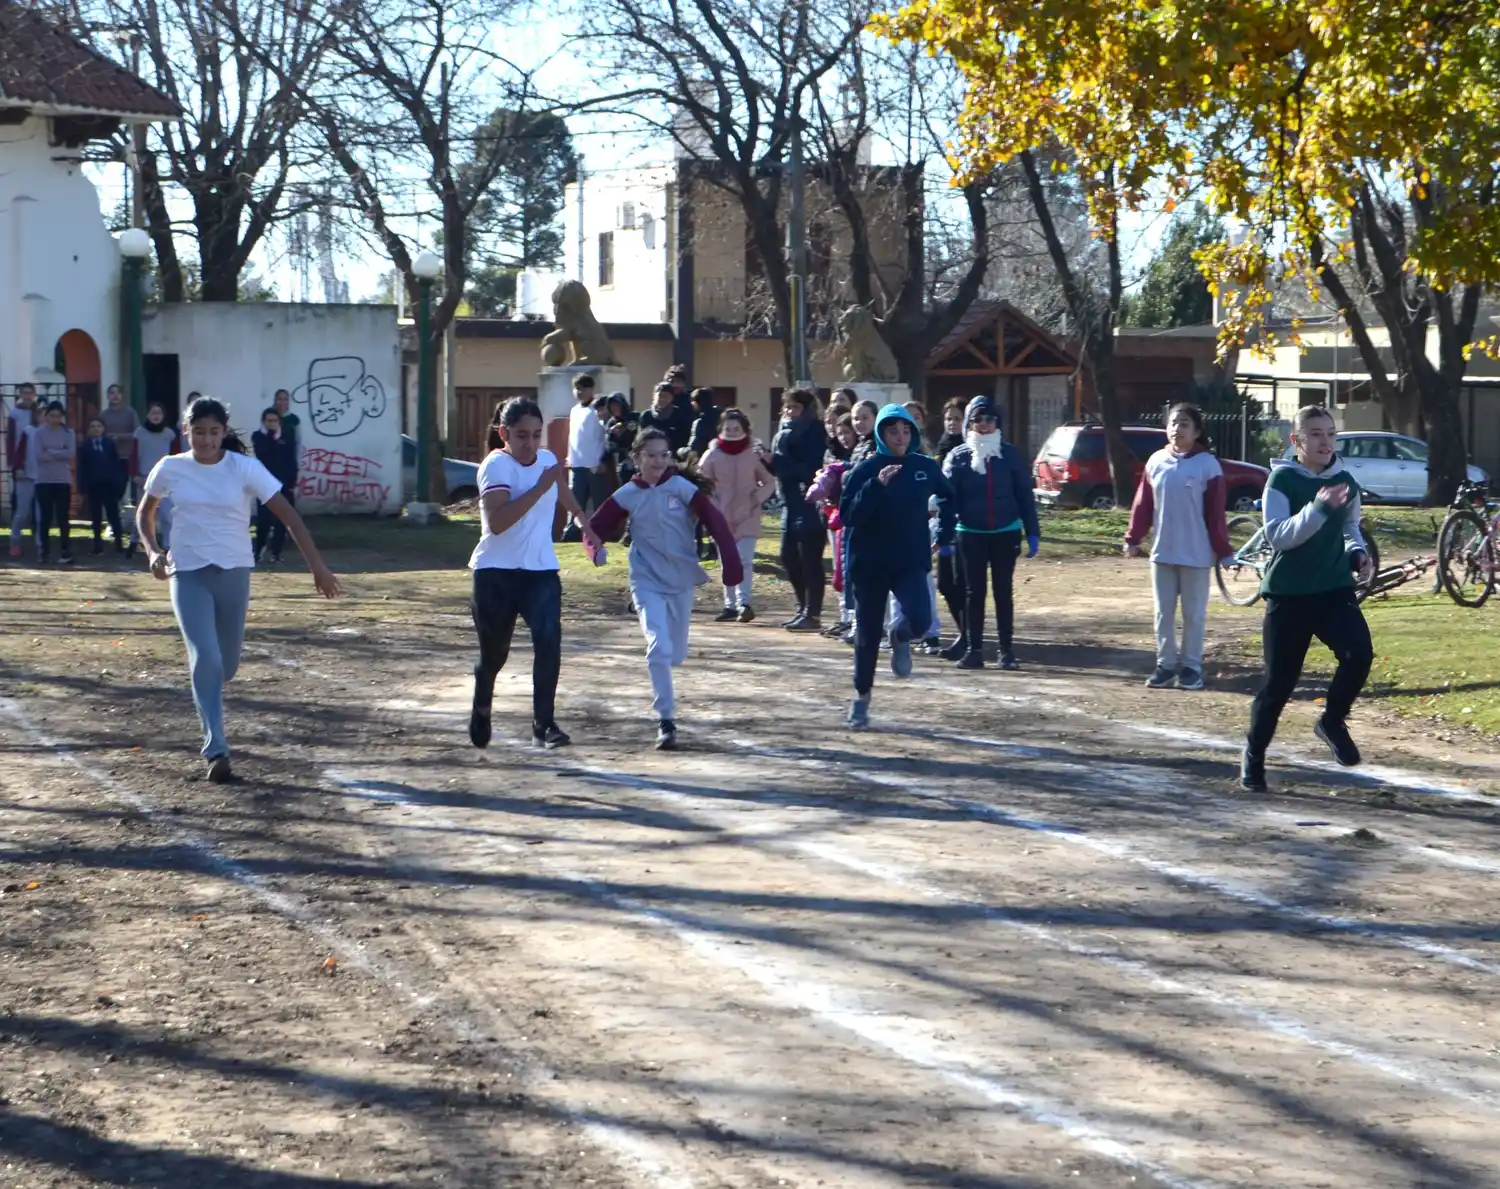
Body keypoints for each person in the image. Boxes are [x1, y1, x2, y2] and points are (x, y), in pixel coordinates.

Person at [138, 396, 342, 782]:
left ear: (224, 432)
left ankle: (211, 691)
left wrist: (317, 567)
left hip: (234, 573)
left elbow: (290, 517)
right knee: (206, 658)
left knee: (226, 664)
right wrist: (152, 552)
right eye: (199, 432)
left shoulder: (244, 468)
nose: (206, 440)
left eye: (214, 432)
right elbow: (144, 512)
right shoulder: (171, 468)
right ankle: (216, 749)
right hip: (188, 573)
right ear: (187, 432)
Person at [1241, 405, 1375, 792]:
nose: (1324, 441)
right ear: (1295, 440)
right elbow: (1280, 536)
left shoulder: (1345, 480)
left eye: (1330, 434)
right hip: (1289, 595)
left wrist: (1357, 552)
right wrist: (1318, 507)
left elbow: (1350, 527)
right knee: (1278, 686)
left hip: (1333, 589)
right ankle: (1254, 755)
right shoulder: (1281, 480)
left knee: (1359, 653)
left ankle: (1332, 720)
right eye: (1315, 434)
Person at [590, 428, 742, 751]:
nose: (658, 461)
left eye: (664, 454)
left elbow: (716, 523)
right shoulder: (628, 493)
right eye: (651, 455)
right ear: (636, 458)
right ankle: (666, 721)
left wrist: (731, 564)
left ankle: (656, 636)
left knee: (675, 654)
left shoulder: (682, 488)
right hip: (645, 578)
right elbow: (595, 527)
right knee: (657, 647)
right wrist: (595, 549)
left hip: (680, 579)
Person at [468, 397, 600, 753]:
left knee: (548, 642)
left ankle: (544, 724)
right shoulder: (495, 466)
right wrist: (540, 487)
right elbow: (498, 523)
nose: (530, 443)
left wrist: (586, 525)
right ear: (504, 434)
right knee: (495, 655)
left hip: (540, 571)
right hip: (495, 573)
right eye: (521, 435)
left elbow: (565, 495)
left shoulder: (546, 461)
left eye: (536, 435)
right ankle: (482, 702)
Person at [840, 404, 954, 729]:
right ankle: (862, 698)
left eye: (906, 431)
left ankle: (901, 635)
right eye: (893, 431)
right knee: (867, 634)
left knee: (921, 618)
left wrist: (945, 532)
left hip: (910, 559)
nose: (900, 437)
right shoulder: (865, 469)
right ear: (881, 434)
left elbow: (948, 498)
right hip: (871, 564)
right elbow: (848, 515)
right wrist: (875, 486)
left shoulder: (924, 467)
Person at [1124, 402, 1234, 691]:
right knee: (1163, 613)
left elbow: (1215, 514)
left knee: (1193, 614)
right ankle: (1165, 665)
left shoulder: (1208, 465)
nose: (1177, 429)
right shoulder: (1156, 461)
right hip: (1162, 552)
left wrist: (1223, 551)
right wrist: (1133, 539)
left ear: (1197, 431)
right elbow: (1143, 505)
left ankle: (1191, 668)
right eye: (1173, 423)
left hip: (1196, 554)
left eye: (1184, 424)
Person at [941, 396, 1040, 670]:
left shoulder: (1009, 454)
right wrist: (945, 535)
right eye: (978, 419)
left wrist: (1032, 531)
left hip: (1005, 531)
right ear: (969, 424)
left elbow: (1024, 496)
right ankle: (974, 650)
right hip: (969, 533)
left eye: (989, 419)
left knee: (1002, 591)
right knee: (974, 592)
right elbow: (946, 500)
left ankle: (1006, 651)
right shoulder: (958, 457)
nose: (984, 424)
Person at [698, 408, 774, 623]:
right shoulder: (712, 455)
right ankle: (729, 605)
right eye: (727, 428)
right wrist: (712, 506)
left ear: (745, 430)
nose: (731, 432)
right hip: (720, 518)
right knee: (728, 562)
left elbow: (769, 481)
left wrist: (756, 499)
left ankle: (745, 603)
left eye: (736, 428)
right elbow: (702, 483)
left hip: (748, 516)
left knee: (745, 561)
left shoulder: (752, 454)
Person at [770, 387, 829, 631]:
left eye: (796, 407)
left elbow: (811, 470)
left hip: (808, 503)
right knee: (788, 557)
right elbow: (779, 470)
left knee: (810, 560)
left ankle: (812, 613)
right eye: (788, 407)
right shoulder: (782, 434)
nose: (790, 412)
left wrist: (779, 461)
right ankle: (802, 606)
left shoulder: (815, 433)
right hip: (789, 503)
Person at [131, 401, 181, 553]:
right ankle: (135, 541)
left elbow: (176, 457)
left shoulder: (170, 435)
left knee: (167, 515)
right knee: (143, 513)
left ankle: (167, 545)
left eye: (159, 413)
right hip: (144, 478)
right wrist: (135, 475)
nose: (156, 416)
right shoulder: (139, 433)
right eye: (153, 413)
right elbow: (133, 456)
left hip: (165, 480)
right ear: (148, 415)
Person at [252, 407, 299, 563]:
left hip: (284, 485)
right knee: (264, 521)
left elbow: (291, 459)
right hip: (264, 485)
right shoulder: (258, 436)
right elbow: (263, 454)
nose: (272, 424)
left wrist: (292, 481)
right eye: (269, 421)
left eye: (275, 421)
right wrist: (272, 437)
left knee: (282, 522)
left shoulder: (287, 436)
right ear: (264, 422)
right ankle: (258, 550)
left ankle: (276, 553)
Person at [33, 402, 76, 565]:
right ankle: (44, 551)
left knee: (63, 517)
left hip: (62, 480)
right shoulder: (39, 433)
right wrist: (59, 453)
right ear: (46, 416)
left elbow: (70, 453)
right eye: (52, 416)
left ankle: (66, 550)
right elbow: (39, 456)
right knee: (45, 517)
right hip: (43, 480)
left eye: (58, 416)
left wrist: (51, 451)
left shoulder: (68, 433)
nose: (55, 419)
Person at [564, 374, 606, 541]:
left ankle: (600, 533)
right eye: (577, 388)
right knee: (575, 502)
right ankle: (571, 533)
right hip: (576, 464)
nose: (580, 391)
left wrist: (603, 459)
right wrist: (569, 458)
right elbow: (573, 437)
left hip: (594, 463)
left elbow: (605, 436)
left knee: (599, 503)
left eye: (583, 388)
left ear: (591, 389)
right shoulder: (574, 411)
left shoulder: (597, 410)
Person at [78, 417, 126, 555]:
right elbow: (82, 468)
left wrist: (118, 483)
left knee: (113, 515)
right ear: (89, 430)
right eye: (93, 426)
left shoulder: (109, 444)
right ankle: (97, 545)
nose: (96, 429)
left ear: (103, 429)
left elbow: (116, 465)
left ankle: (118, 542)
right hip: (93, 485)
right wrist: (82, 488)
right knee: (96, 516)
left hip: (109, 485)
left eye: (99, 426)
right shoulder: (85, 446)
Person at [6, 383, 39, 558]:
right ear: (20, 395)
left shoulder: (39, 412)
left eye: (30, 393)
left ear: (34, 394)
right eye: (24, 393)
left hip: (40, 466)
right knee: (21, 510)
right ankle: (15, 542)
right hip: (22, 465)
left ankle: (41, 543)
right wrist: (13, 464)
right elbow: (11, 439)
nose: (27, 396)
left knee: (40, 511)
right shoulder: (14, 414)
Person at [99, 384, 139, 500]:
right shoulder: (104, 415)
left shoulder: (130, 413)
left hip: (125, 455)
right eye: (112, 393)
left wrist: (120, 437)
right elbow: (98, 433)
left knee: (122, 483)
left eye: (118, 393)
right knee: (111, 484)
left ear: (122, 395)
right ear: (108, 396)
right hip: (108, 455)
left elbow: (137, 433)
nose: (115, 396)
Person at [604, 391, 638, 485]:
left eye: (616, 404)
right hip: (623, 461)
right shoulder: (611, 423)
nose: (614, 408)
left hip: (639, 458)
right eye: (611, 406)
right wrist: (613, 434)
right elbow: (609, 447)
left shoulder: (634, 416)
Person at [688, 387, 720, 458]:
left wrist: (681, 451)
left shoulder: (700, 422)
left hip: (705, 457)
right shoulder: (722, 417)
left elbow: (695, 446)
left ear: (696, 402)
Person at [934, 397, 966, 461]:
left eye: (957, 419)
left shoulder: (972, 444)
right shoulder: (941, 446)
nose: (952, 423)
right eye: (949, 419)